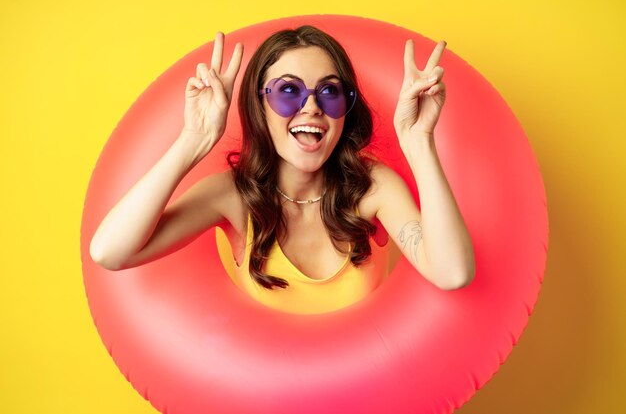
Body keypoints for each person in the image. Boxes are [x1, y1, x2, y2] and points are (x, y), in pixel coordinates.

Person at [90, 26, 475, 314]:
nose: (311, 107)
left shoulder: (371, 187)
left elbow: (453, 273)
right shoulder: (232, 197)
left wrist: (419, 140)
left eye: (330, 91)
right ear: (260, 105)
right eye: (288, 91)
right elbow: (110, 252)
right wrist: (195, 138)